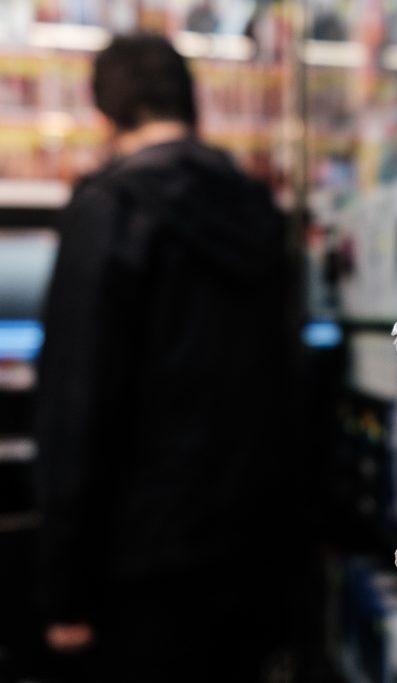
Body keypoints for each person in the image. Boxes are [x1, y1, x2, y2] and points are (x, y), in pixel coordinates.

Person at [35, 33, 302, 681]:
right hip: (254, 555)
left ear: (107, 114)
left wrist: (65, 588)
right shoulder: (257, 206)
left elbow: (78, 404)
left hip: (142, 564)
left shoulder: (110, 209)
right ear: (194, 105)